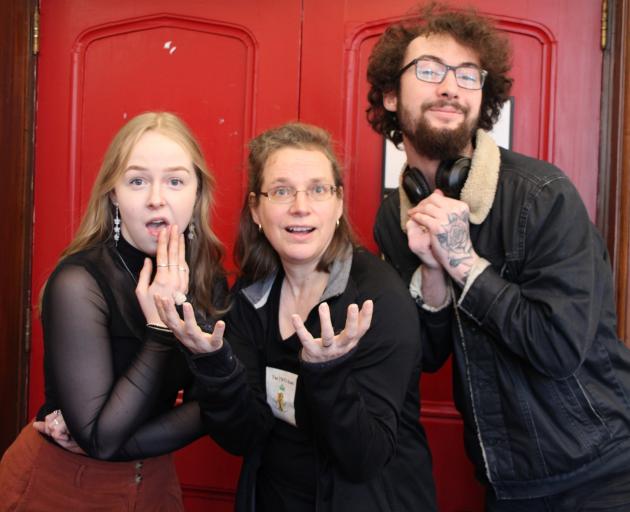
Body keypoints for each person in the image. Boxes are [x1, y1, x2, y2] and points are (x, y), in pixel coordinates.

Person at [367, 3, 630, 511]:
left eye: (468, 74)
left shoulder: (544, 195)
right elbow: (425, 356)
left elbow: (557, 347)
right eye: (430, 70)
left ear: (483, 98)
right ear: (391, 95)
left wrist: (463, 262)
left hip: (601, 475)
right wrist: (432, 276)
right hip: (504, 482)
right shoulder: (395, 218)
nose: (450, 86)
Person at [155, 122, 438, 511]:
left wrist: (327, 372)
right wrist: (215, 365)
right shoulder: (252, 296)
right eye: (282, 191)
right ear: (256, 209)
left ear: (338, 204)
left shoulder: (378, 299)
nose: (300, 206)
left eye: (319, 190)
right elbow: (242, 437)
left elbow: (364, 458)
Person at [0, 111, 227, 510]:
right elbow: (100, 439)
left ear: (197, 194)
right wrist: (159, 330)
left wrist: (116, 438)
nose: (157, 197)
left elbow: (214, 406)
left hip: (153, 485)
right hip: (60, 487)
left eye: (175, 181)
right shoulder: (78, 282)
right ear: (114, 195)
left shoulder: (208, 278)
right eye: (137, 181)